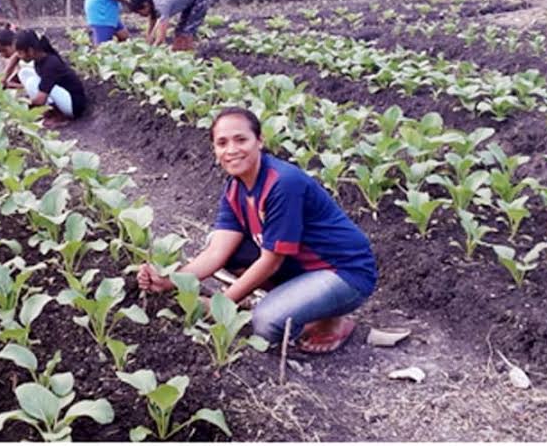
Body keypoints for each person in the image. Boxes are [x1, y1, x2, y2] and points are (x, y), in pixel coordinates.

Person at [137, 107, 377, 353]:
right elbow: (216, 253)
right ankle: (304, 305)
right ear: (215, 150)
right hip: (302, 267)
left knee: (266, 323)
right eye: (222, 143)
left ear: (259, 141)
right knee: (222, 245)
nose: (231, 150)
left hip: (345, 274)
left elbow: (270, 263)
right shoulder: (235, 187)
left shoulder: (283, 184)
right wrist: (169, 282)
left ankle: (328, 320)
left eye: (241, 139)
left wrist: (222, 306)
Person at [13, 29, 87, 129]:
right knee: (24, 72)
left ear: (30, 51)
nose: (18, 56)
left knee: (32, 83)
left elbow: (40, 100)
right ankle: (50, 113)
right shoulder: (40, 57)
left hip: (73, 104)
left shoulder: (50, 64)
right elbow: (15, 58)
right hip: (63, 95)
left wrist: (19, 105)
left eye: (20, 53)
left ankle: (58, 116)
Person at [129, 0, 212, 51]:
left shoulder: (161, 4)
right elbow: (152, 22)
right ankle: (179, 53)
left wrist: (152, 51)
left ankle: (188, 55)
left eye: (140, 12)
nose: (141, 15)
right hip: (190, 0)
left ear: (145, 5)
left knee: (187, 31)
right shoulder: (150, 1)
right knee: (179, 31)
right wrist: (147, 42)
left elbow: (161, 37)